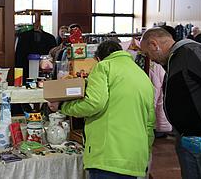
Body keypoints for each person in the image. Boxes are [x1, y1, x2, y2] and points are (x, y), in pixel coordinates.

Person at [49, 40, 155, 178]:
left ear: (98, 58)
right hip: (135, 159)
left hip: (107, 156)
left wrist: (63, 106)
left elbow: (94, 103)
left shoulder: (103, 67)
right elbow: (150, 123)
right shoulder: (142, 75)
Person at [140, 27, 201, 179]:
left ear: (154, 44)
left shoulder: (191, 53)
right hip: (188, 139)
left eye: (148, 54)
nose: (150, 59)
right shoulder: (175, 59)